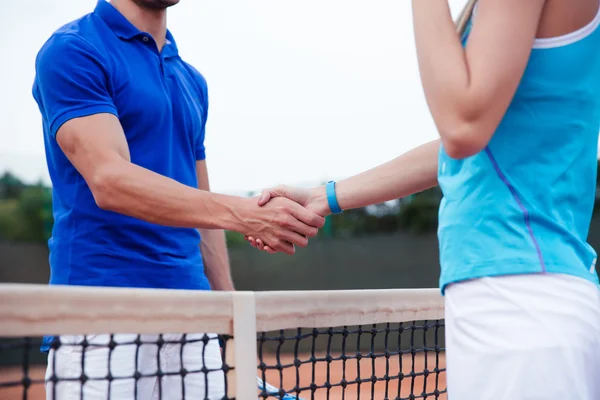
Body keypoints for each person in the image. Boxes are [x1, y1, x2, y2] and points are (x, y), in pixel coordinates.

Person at [246, 0, 600, 398]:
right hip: (516, 296)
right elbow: (465, 148)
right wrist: (323, 196)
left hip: (519, 300)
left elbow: (462, 127)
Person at [32, 0, 324, 399]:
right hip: (98, 310)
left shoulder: (191, 80)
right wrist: (245, 214)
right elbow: (109, 179)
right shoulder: (73, 50)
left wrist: (231, 315)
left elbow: (202, 205)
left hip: (192, 314)